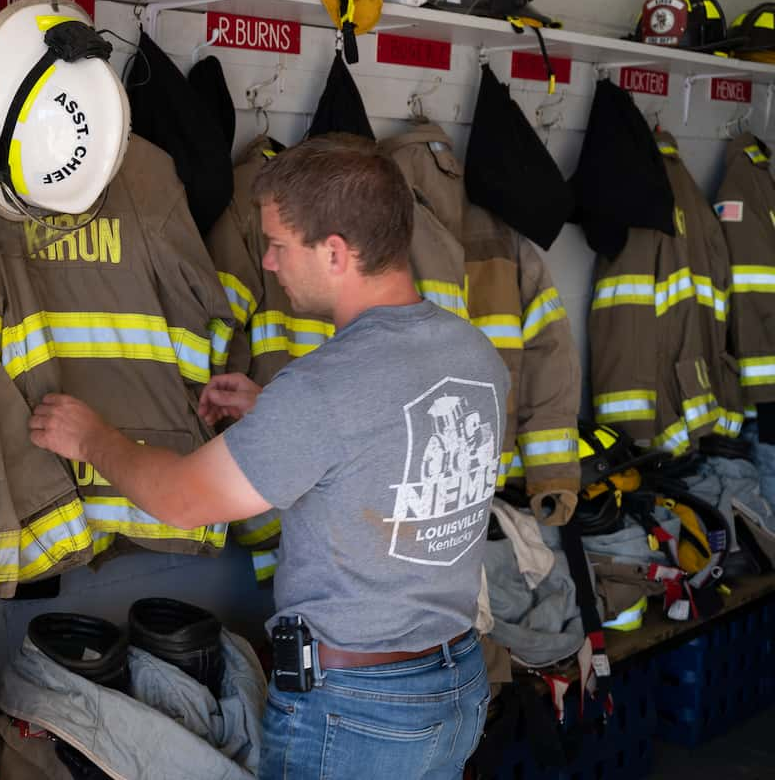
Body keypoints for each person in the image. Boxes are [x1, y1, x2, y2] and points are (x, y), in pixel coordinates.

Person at [29, 133, 510, 780]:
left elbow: (182, 500)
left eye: (280, 246)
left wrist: (92, 438)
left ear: (336, 252)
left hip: (356, 712)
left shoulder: (324, 389)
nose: (272, 264)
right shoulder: (472, 353)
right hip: (454, 687)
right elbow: (401, 446)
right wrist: (273, 415)